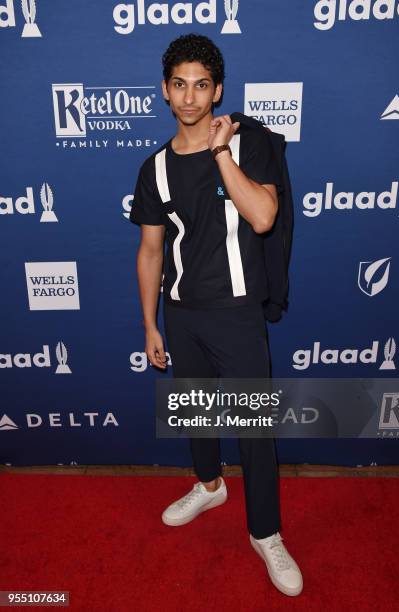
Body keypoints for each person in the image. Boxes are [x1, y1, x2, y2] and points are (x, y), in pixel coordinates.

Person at [129, 33, 303, 597]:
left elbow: (262, 217)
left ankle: (265, 533)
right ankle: (209, 485)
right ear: (165, 90)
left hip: (236, 312)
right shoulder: (153, 168)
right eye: (179, 84)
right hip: (182, 314)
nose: (189, 97)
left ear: (217, 90)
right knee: (197, 415)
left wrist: (222, 154)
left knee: (254, 430)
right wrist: (152, 323)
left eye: (201, 85)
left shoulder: (248, 142)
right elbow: (151, 250)